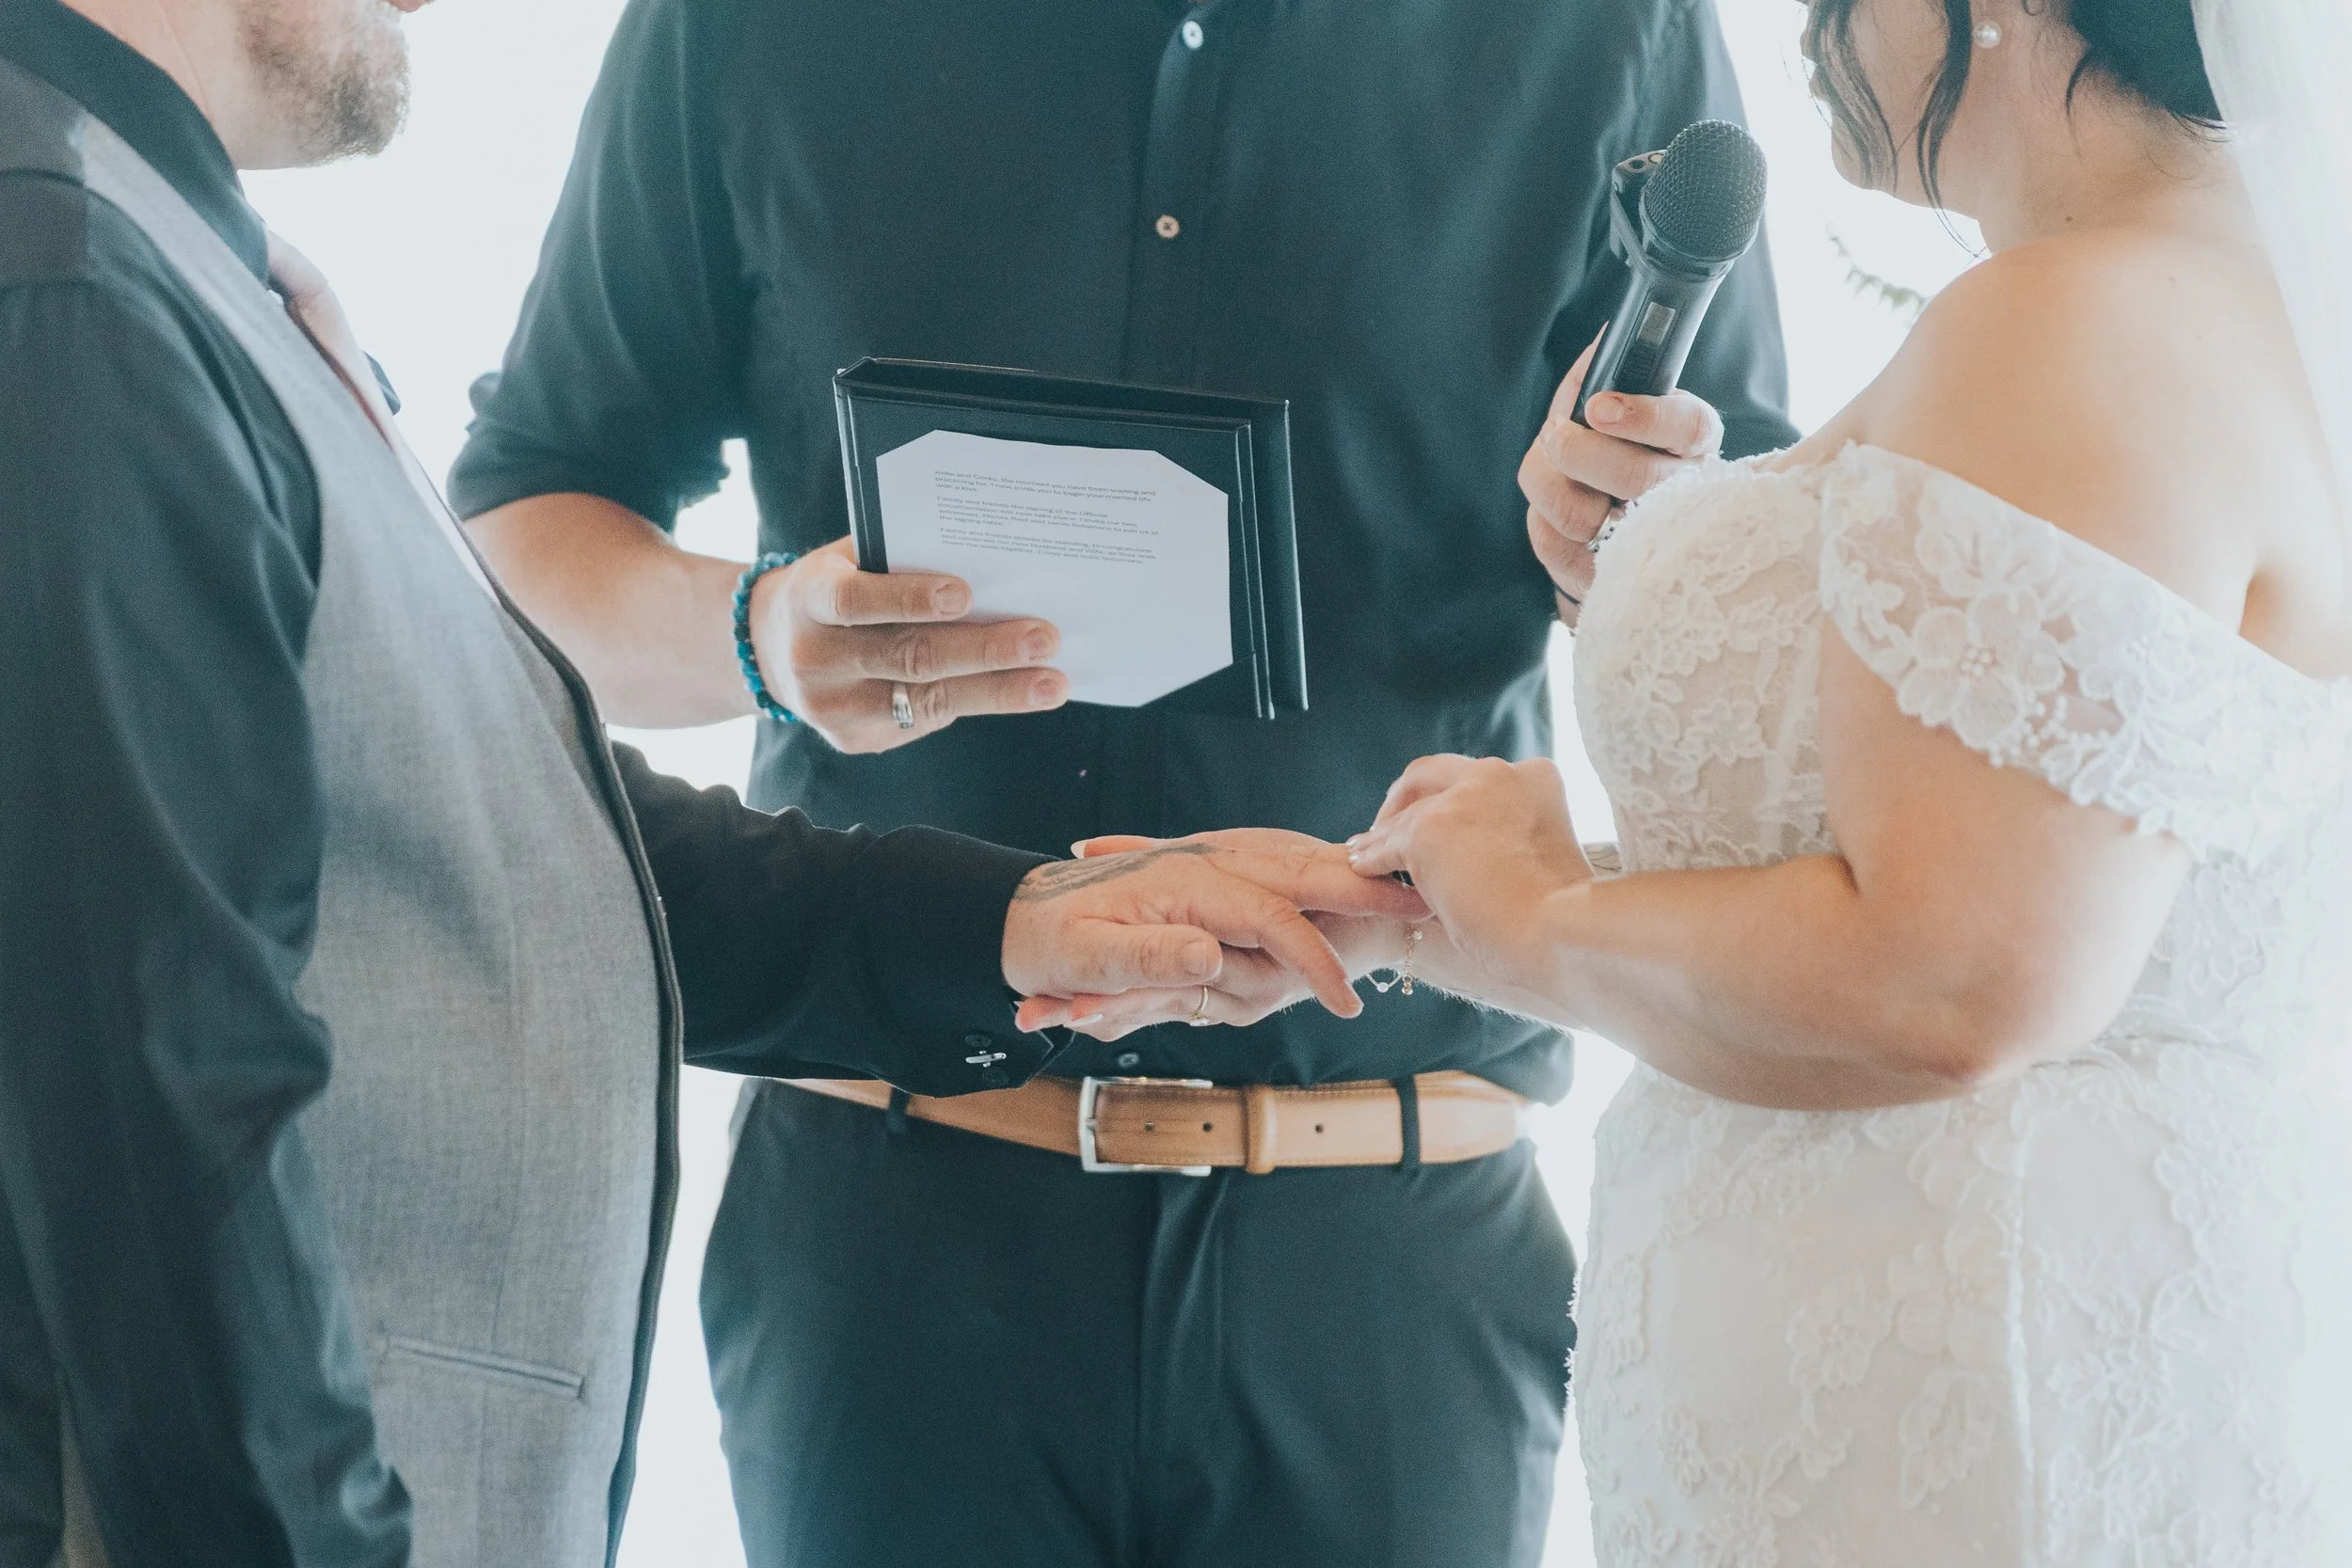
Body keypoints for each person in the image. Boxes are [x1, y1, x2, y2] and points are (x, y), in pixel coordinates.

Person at [0, 0, 1419, 1561]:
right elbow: (160, 1131)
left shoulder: (155, 263)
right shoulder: (73, 293)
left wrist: (1022, 921)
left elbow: (486, 832)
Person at [445, 0, 1796, 1561]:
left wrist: (1637, 545)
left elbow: (1756, 625)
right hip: (893, 1236)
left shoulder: (1606, 30)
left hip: (1392, 1249)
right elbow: (521, 532)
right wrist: (754, 633)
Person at [1050, 0, 2352, 1560]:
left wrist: (1533, 905)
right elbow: (1921, 866)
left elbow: (1954, 975)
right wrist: (1413, 915)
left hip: (1977, 1406)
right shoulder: (2192, 301)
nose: (1807, 28)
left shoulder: (2074, 317)